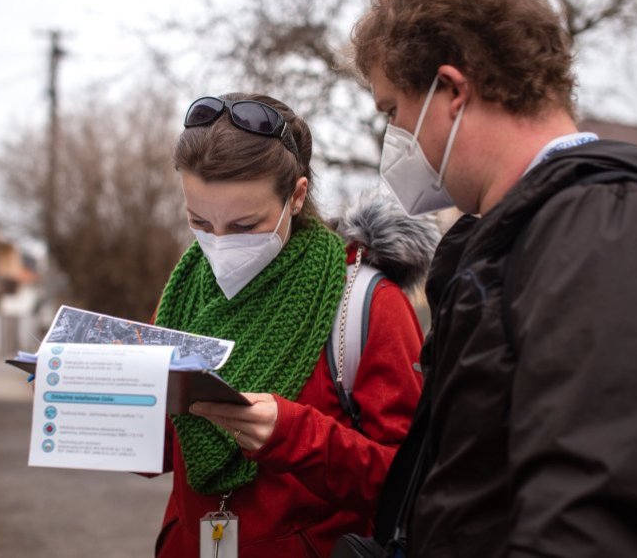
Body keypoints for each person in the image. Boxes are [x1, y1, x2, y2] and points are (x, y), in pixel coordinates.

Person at [350, 0, 637, 557]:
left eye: (394, 111)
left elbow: (595, 523)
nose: (393, 136)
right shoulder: (513, 234)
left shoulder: (608, 232)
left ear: (451, 90)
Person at [151, 92, 438, 557]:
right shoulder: (186, 292)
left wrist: (292, 435)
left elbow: (409, 481)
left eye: (245, 226)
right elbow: (170, 451)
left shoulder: (367, 305)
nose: (219, 245)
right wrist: (105, 413)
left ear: (297, 196)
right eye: (199, 222)